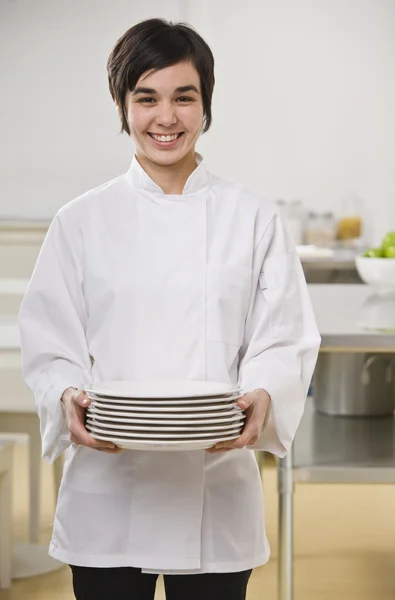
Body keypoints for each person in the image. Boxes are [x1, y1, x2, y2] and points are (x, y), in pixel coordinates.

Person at [18, 17, 321, 600]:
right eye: (146, 98)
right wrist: (65, 395)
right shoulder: (80, 221)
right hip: (109, 485)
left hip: (215, 485)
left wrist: (263, 393)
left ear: (205, 105)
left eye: (184, 97)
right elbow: (49, 340)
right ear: (121, 105)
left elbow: (282, 338)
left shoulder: (253, 218)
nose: (166, 117)